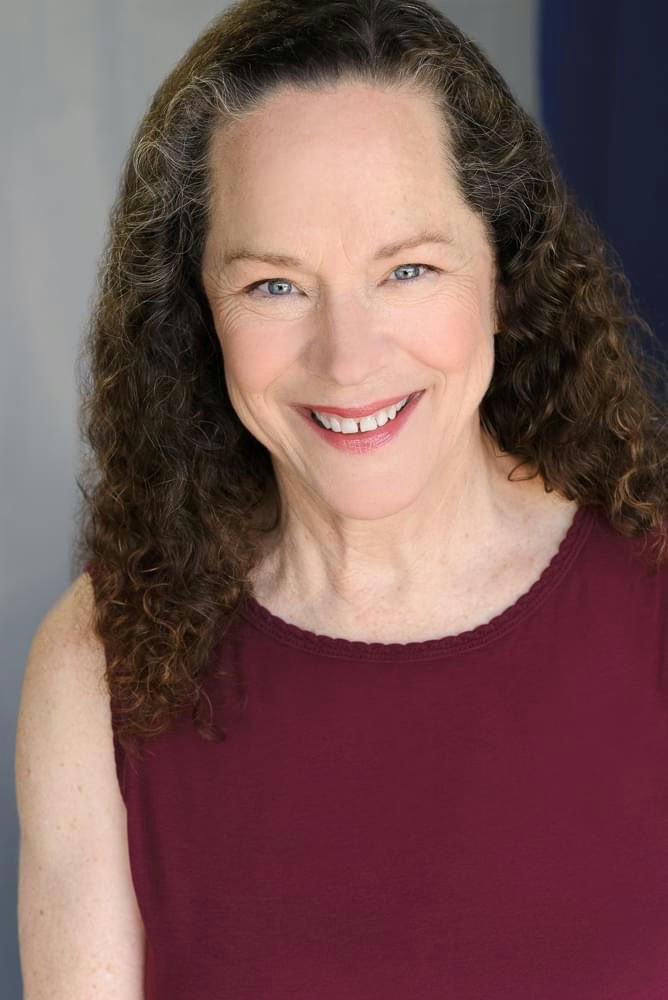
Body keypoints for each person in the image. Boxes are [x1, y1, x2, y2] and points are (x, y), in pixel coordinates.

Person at [15, 0, 668, 997]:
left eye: (406, 269)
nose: (347, 359)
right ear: (195, 309)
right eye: (274, 286)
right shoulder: (97, 662)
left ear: (501, 272)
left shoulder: (652, 594)